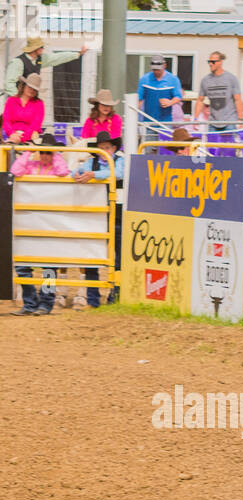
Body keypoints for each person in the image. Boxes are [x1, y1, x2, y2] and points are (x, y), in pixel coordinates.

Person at [10, 136, 68, 314]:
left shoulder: (56, 167)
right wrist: (29, 152)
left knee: (49, 266)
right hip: (29, 221)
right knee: (22, 265)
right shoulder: (31, 166)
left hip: (49, 222)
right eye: (41, 152)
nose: (44, 155)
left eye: (47, 152)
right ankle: (29, 303)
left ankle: (46, 303)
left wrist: (55, 154)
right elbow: (15, 170)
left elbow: (63, 171)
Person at [72, 130, 124, 308]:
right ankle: (93, 298)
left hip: (116, 215)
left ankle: (115, 295)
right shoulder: (91, 163)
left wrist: (93, 175)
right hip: (97, 216)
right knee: (93, 256)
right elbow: (75, 171)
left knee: (118, 257)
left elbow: (118, 173)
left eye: (107, 148)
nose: (104, 151)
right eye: (101, 148)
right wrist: (78, 175)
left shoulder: (120, 160)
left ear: (114, 148)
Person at [5, 36, 86, 98]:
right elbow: (9, 84)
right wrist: (19, 99)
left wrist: (77, 54)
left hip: (30, 100)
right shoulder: (17, 62)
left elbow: (57, 57)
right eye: (41, 47)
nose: (43, 48)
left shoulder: (40, 59)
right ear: (34, 49)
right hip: (17, 102)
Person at [197, 50, 243, 132]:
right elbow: (200, 100)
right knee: (212, 145)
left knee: (228, 145)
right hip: (213, 122)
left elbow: (238, 100)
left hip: (229, 122)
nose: (210, 64)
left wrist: (240, 119)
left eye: (213, 62)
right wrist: (196, 119)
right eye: (209, 62)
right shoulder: (205, 80)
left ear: (220, 62)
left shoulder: (231, 78)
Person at [138, 55, 183, 130]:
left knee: (165, 141)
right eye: (154, 69)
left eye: (158, 69)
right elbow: (139, 99)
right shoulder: (144, 79)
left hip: (166, 122)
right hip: (148, 123)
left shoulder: (173, 79)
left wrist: (170, 102)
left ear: (164, 65)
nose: (156, 71)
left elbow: (178, 97)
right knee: (148, 141)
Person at [3, 73, 44, 143]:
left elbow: (36, 124)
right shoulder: (11, 101)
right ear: (24, 86)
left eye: (34, 89)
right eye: (30, 87)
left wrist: (22, 138)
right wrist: (12, 134)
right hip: (11, 135)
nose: (32, 90)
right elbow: (6, 120)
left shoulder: (39, 104)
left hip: (30, 137)